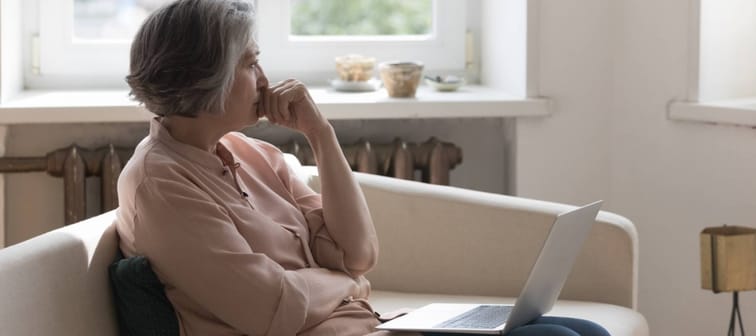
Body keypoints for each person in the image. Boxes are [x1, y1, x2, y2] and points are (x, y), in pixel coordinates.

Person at [115, 1, 610, 335]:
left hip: (370, 325)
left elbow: (358, 254)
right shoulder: (160, 184)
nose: (264, 79)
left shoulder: (253, 155)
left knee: (586, 331)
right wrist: (347, 287)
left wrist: (321, 136)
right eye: (249, 64)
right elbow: (271, 307)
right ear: (207, 81)